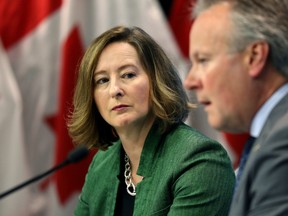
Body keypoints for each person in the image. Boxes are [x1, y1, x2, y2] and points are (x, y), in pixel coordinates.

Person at [68, 25, 235, 216]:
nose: (115, 90)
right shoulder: (102, 163)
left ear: (157, 80)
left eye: (128, 75)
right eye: (102, 80)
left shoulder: (200, 160)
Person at [184, 0, 288, 215]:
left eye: (203, 60)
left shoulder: (282, 140)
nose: (190, 81)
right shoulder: (271, 135)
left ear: (254, 57)